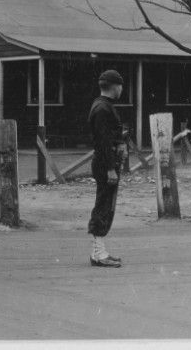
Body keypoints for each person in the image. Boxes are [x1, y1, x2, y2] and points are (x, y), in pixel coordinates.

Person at [87, 69, 127, 267]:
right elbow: (103, 141)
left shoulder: (102, 105)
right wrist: (111, 168)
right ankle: (98, 254)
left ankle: (100, 250)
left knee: (105, 204)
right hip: (105, 163)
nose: (122, 89)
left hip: (106, 161)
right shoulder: (103, 109)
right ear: (114, 86)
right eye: (121, 85)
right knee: (104, 205)